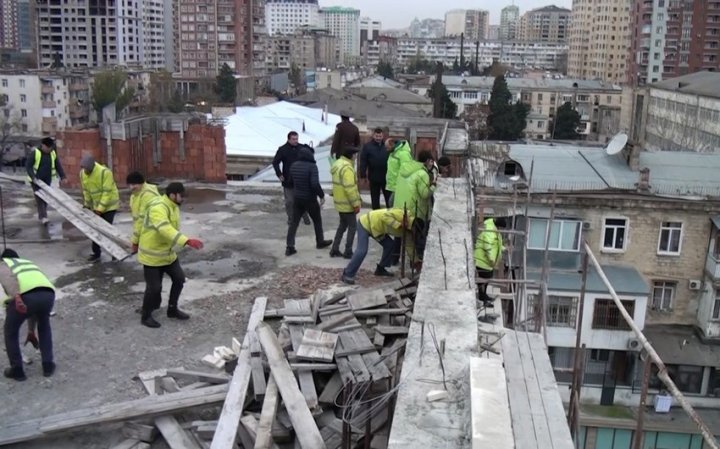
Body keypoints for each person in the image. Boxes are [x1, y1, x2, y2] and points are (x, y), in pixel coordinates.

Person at [138, 182, 204, 328]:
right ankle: (146, 315)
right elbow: (165, 229)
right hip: (152, 255)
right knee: (154, 288)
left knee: (179, 279)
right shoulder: (158, 208)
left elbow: (170, 230)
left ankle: (172, 310)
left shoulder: (173, 206)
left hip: (167, 254)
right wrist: (186, 241)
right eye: (181, 196)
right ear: (172, 195)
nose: (183, 199)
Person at [1, 248, 56, 381]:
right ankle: (48, 365)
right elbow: (33, 307)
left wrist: (17, 297)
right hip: (48, 294)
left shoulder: (4, 264)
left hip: (25, 297)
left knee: (10, 331)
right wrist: (31, 330)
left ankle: (17, 370)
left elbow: (7, 278)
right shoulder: (27, 263)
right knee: (44, 326)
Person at [341, 208, 415, 285]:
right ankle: (348, 274)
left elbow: (409, 245)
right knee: (362, 250)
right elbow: (384, 216)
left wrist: (416, 260)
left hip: (377, 230)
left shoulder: (408, 231)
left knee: (389, 245)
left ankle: (381, 269)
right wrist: (398, 225)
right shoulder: (401, 215)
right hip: (366, 223)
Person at [285, 148, 332, 256]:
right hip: (310, 199)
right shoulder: (312, 166)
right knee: (317, 221)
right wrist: (321, 195)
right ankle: (320, 242)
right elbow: (314, 184)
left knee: (293, 223)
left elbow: (290, 182)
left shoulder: (294, 165)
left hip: (297, 199)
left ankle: (289, 246)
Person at [392, 150, 436, 262]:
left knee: (399, 233)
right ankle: (417, 260)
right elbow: (425, 194)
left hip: (398, 206)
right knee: (416, 236)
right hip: (413, 209)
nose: (432, 164)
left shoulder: (404, 168)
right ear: (427, 161)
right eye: (431, 161)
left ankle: (394, 259)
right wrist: (434, 185)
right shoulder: (422, 174)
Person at [80, 155, 119, 262]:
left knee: (107, 230)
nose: (85, 171)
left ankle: (115, 253)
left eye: (87, 169)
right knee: (95, 229)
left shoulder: (105, 172)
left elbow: (107, 192)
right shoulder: (83, 173)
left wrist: (99, 209)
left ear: (92, 167)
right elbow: (86, 191)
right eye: (83, 169)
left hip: (110, 205)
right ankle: (96, 253)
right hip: (97, 206)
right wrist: (87, 205)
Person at [25, 137, 66, 224]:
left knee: (46, 198)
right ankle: (43, 217)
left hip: (47, 180)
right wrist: (33, 177)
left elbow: (58, 165)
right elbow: (28, 167)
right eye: (48, 148)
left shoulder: (52, 153)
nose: (50, 150)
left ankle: (43, 215)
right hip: (36, 180)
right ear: (43, 146)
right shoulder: (35, 153)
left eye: (51, 148)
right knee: (40, 198)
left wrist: (63, 176)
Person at [329, 146, 361, 259]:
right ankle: (348, 251)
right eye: (355, 155)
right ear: (352, 156)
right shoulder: (347, 168)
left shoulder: (338, 164)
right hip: (347, 204)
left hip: (339, 202)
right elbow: (350, 188)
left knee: (342, 226)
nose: (356, 157)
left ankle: (335, 249)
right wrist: (356, 204)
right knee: (352, 227)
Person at [273, 131, 310, 226]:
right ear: (288, 139)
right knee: (290, 201)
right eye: (293, 139)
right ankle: (291, 219)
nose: (295, 141)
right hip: (288, 180)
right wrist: (279, 174)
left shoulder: (302, 148)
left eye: (297, 139)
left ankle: (304, 215)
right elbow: (275, 162)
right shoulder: (282, 149)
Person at [474, 217, 507, 305]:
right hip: (483, 259)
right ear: (499, 226)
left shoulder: (495, 230)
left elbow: (496, 244)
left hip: (487, 261)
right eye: (502, 228)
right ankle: (482, 298)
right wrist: (492, 260)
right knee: (483, 280)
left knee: (486, 279)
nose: (502, 230)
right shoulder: (490, 231)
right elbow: (487, 247)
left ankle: (484, 296)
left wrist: (504, 248)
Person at [127, 171, 160, 254]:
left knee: (152, 258)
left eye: (134, 184)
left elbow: (141, 220)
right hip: (146, 233)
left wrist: (135, 241)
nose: (131, 187)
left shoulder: (147, 195)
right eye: (130, 184)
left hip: (153, 233)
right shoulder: (136, 194)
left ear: (141, 183)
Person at [359, 127, 391, 209]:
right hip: (374, 177)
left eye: (380, 136)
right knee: (375, 200)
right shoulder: (367, 146)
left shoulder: (387, 146)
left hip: (386, 178)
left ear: (383, 136)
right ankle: (375, 218)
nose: (378, 138)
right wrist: (363, 175)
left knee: (389, 200)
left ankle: (390, 215)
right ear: (373, 136)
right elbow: (363, 161)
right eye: (376, 136)